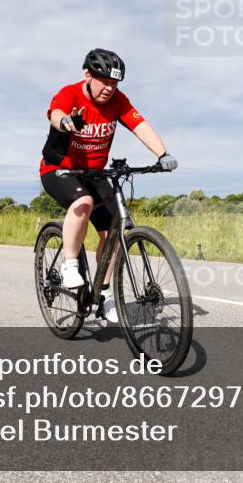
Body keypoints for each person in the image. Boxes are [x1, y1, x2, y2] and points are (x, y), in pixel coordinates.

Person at [39, 49, 177, 323]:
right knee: (84, 203)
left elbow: (140, 126)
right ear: (88, 75)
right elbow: (56, 113)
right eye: (104, 81)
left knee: (116, 228)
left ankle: (103, 295)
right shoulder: (71, 93)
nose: (110, 89)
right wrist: (66, 122)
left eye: (115, 83)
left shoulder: (117, 101)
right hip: (60, 170)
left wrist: (163, 154)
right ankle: (69, 265)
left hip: (94, 173)